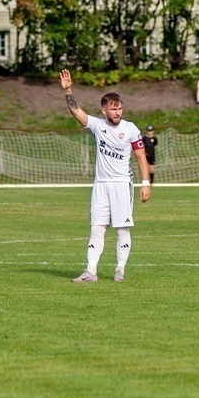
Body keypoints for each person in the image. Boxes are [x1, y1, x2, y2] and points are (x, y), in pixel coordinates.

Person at [59, 69, 151, 283]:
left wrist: (145, 184)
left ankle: (120, 268)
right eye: (113, 108)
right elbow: (76, 112)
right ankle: (90, 271)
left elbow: (140, 157)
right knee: (97, 228)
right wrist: (68, 90)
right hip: (100, 185)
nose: (118, 112)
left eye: (120, 108)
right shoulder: (97, 126)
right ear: (104, 110)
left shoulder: (130, 129)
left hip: (121, 184)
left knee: (121, 228)